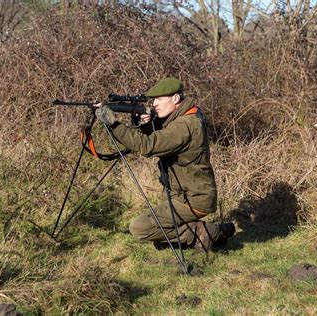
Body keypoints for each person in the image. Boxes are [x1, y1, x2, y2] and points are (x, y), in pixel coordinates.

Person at [95, 78, 235, 251]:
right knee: (160, 237)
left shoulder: (184, 125)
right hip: (187, 194)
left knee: (140, 228)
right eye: (153, 100)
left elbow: (148, 146)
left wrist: (114, 125)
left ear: (175, 99)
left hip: (193, 199)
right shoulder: (188, 114)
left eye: (160, 99)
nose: (155, 104)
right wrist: (147, 125)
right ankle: (213, 231)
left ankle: (207, 232)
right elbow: (164, 142)